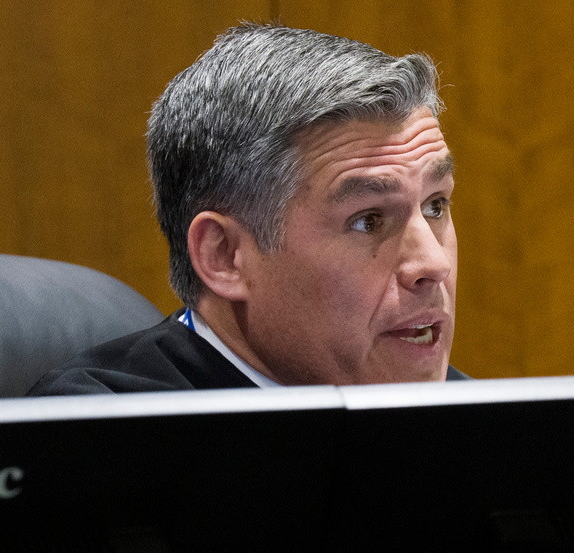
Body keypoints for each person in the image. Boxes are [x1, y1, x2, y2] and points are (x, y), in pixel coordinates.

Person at [29, 23, 466, 395]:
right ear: (225, 257)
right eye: (368, 220)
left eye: (434, 206)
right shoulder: (91, 443)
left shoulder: (493, 427)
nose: (433, 263)